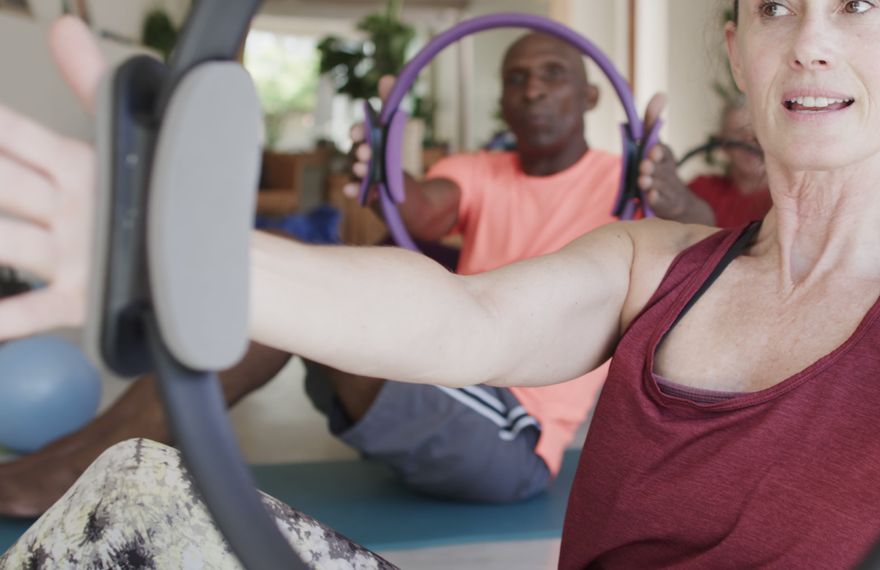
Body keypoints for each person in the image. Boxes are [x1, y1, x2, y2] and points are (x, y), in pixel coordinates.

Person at [3, 2, 880, 568]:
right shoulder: (651, 264)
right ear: (738, 49)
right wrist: (188, 254)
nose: (810, 45)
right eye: (778, 8)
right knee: (137, 501)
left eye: (857, 4)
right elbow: (456, 317)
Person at [0, 30, 656, 516]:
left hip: (510, 431)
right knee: (288, 288)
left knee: (288, 293)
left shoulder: (627, 183)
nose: (533, 88)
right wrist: (383, 168)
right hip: (441, 378)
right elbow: (421, 210)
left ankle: (83, 464)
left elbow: (702, 234)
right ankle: (76, 454)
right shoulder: (479, 170)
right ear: (504, 98)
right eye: (517, 78)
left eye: (551, 74)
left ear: (592, 93)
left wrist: (672, 193)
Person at [639, 95, 772, 227]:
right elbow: (687, 211)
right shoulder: (703, 188)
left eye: (759, 131)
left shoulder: (784, 198)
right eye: (739, 133)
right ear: (722, 144)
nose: (751, 140)